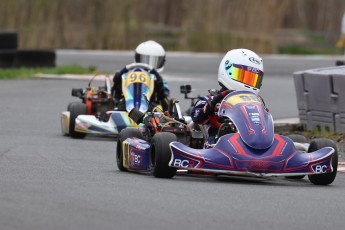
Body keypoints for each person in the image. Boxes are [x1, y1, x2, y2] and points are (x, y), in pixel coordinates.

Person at [191, 48, 266, 148]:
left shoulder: (256, 103)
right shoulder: (212, 98)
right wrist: (208, 108)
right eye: (242, 76)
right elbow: (196, 116)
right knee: (225, 132)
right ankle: (223, 138)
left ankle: (263, 147)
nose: (247, 83)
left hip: (250, 139)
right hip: (218, 141)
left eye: (252, 79)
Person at [112, 40, 170, 111]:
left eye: (154, 61)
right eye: (144, 60)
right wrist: (117, 82)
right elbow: (115, 93)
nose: (147, 65)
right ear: (137, 58)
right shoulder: (127, 77)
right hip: (125, 105)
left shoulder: (160, 81)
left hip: (151, 108)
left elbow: (165, 101)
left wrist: (160, 89)